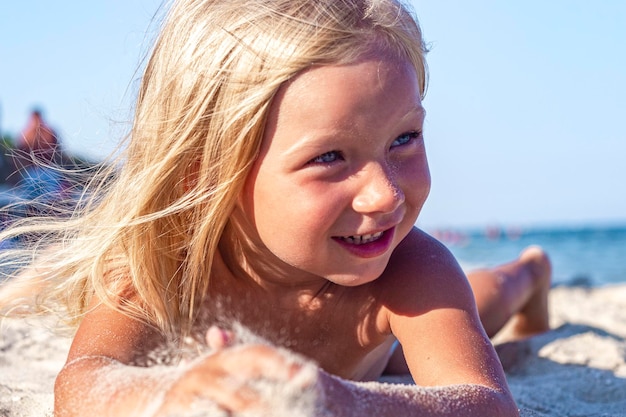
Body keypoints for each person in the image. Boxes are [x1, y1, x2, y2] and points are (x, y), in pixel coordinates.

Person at [0, 0, 552, 415]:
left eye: (404, 139)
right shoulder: (167, 263)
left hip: (375, 361)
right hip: (371, 358)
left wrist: (344, 401)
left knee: (490, 298)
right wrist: (168, 393)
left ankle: (530, 272)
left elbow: (485, 403)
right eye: (331, 157)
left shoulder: (411, 269)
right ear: (210, 172)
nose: (385, 194)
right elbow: (83, 380)